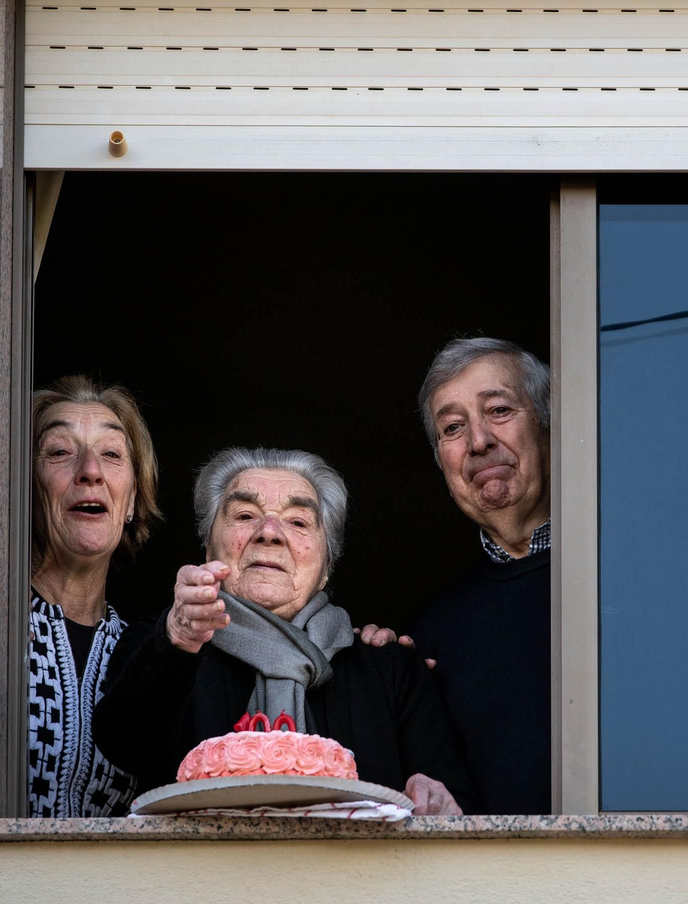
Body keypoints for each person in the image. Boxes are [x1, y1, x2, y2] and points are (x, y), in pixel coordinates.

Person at [94, 447, 472, 815]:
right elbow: (123, 747)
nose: (269, 533)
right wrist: (177, 637)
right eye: (244, 515)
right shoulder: (166, 641)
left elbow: (455, 808)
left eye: (297, 522)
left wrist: (436, 800)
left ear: (327, 565)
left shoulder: (391, 669)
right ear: (209, 549)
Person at [364, 337, 552, 814]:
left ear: (550, 425)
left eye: (500, 410)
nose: (480, 441)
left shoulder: (628, 576)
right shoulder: (431, 635)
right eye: (453, 427)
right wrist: (373, 676)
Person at [27, 374, 163, 818]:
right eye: (61, 452)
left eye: (111, 454)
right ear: (24, 488)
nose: (90, 470)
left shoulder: (150, 652)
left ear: (130, 502)